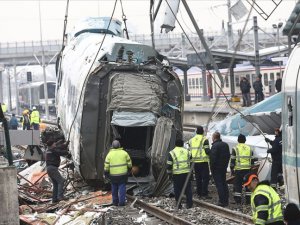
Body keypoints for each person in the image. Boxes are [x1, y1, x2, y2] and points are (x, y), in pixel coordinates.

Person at [104, 140, 132, 206]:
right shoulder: (125, 153)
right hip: (123, 175)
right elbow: (129, 164)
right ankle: (122, 203)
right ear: (119, 145)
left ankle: (115, 202)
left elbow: (106, 166)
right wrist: (129, 169)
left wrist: (106, 173)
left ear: (112, 146)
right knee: (122, 188)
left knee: (114, 189)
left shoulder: (109, 155)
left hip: (113, 176)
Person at [167, 139, 193, 209]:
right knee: (188, 189)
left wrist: (169, 175)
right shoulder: (188, 152)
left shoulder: (172, 152)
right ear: (182, 144)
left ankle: (179, 205)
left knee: (177, 189)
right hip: (187, 173)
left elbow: (169, 165)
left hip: (177, 174)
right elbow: (191, 162)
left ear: (175, 144)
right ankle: (189, 204)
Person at [45, 136, 70, 203]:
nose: (55, 144)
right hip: (52, 168)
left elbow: (58, 148)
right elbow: (60, 152)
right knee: (61, 181)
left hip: (49, 168)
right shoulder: (52, 150)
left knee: (56, 183)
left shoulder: (48, 150)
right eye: (54, 143)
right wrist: (67, 152)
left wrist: (65, 144)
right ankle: (60, 197)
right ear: (52, 144)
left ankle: (54, 199)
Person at [230, 134, 254, 204]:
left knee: (238, 185)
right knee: (248, 184)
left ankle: (238, 200)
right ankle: (248, 201)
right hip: (248, 170)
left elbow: (233, 160)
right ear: (245, 140)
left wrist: (232, 169)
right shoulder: (249, 148)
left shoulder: (235, 148)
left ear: (238, 140)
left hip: (239, 170)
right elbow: (252, 161)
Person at [188, 126, 210, 199]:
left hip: (195, 162)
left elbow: (189, 152)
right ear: (203, 132)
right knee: (206, 178)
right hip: (203, 162)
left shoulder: (191, 140)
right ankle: (204, 193)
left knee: (198, 178)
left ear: (196, 132)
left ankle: (199, 193)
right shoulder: (204, 139)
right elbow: (207, 151)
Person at [210, 131, 230, 207]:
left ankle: (222, 201)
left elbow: (213, 159)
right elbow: (228, 156)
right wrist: (225, 166)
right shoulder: (225, 145)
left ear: (214, 138)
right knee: (224, 183)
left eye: (212, 137)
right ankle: (226, 200)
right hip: (223, 168)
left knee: (219, 185)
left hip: (216, 169)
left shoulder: (215, 146)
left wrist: (211, 169)